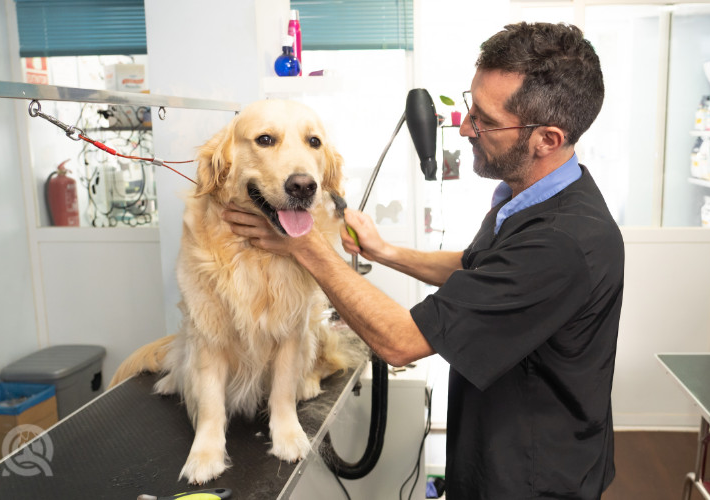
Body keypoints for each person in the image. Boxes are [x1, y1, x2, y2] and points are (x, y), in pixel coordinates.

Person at [224, 22, 624, 500]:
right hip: (496, 447)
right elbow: (480, 270)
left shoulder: (563, 242)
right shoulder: (529, 195)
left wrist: (307, 248)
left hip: (533, 478)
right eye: (469, 104)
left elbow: (400, 342)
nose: (464, 126)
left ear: (548, 139)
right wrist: (384, 252)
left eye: (485, 120)